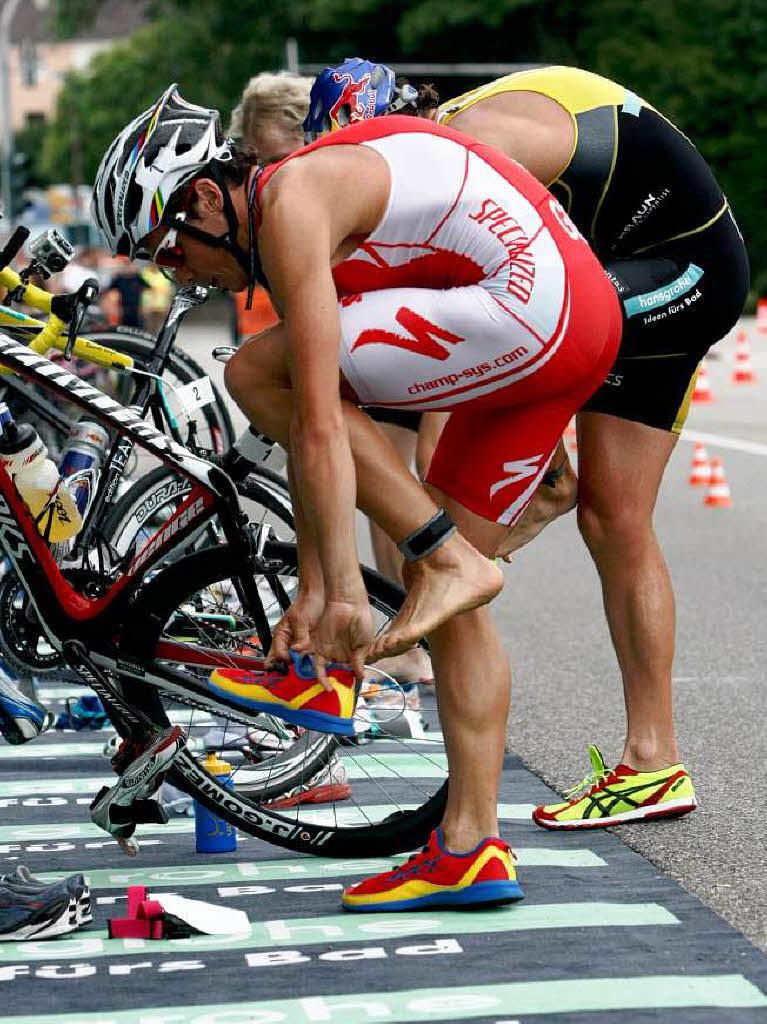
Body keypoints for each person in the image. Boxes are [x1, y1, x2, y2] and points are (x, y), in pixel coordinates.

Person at [93, 85, 621, 910]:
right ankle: (469, 846)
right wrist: (313, 585)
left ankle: (439, 563)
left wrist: (334, 594)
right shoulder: (309, 189)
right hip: (568, 314)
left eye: (168, 250)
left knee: (255, 373)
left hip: (535, 307)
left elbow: (314, 424)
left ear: (202, 197)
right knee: (448, 601)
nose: (178, 275)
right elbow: (320, 438)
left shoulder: (291, 201)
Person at [303, 59, 749, 828]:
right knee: (615, 520)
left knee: (529, 355)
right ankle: (654, 763)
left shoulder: (479, 141)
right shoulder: (435, 157)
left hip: (679, 267)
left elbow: (514, 312)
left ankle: (537, 490)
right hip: (633, 267)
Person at [229, 64, 434, 694]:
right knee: (371, 484)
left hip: (424, 321)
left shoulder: (320, 186)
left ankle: (413, 640)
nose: (265, 174)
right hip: (395, 327)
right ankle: (401, 635)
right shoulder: (293, 198)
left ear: (304, 136)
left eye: (270, 157)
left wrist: (324, 590)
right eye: (252, 162)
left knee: (403, 499)